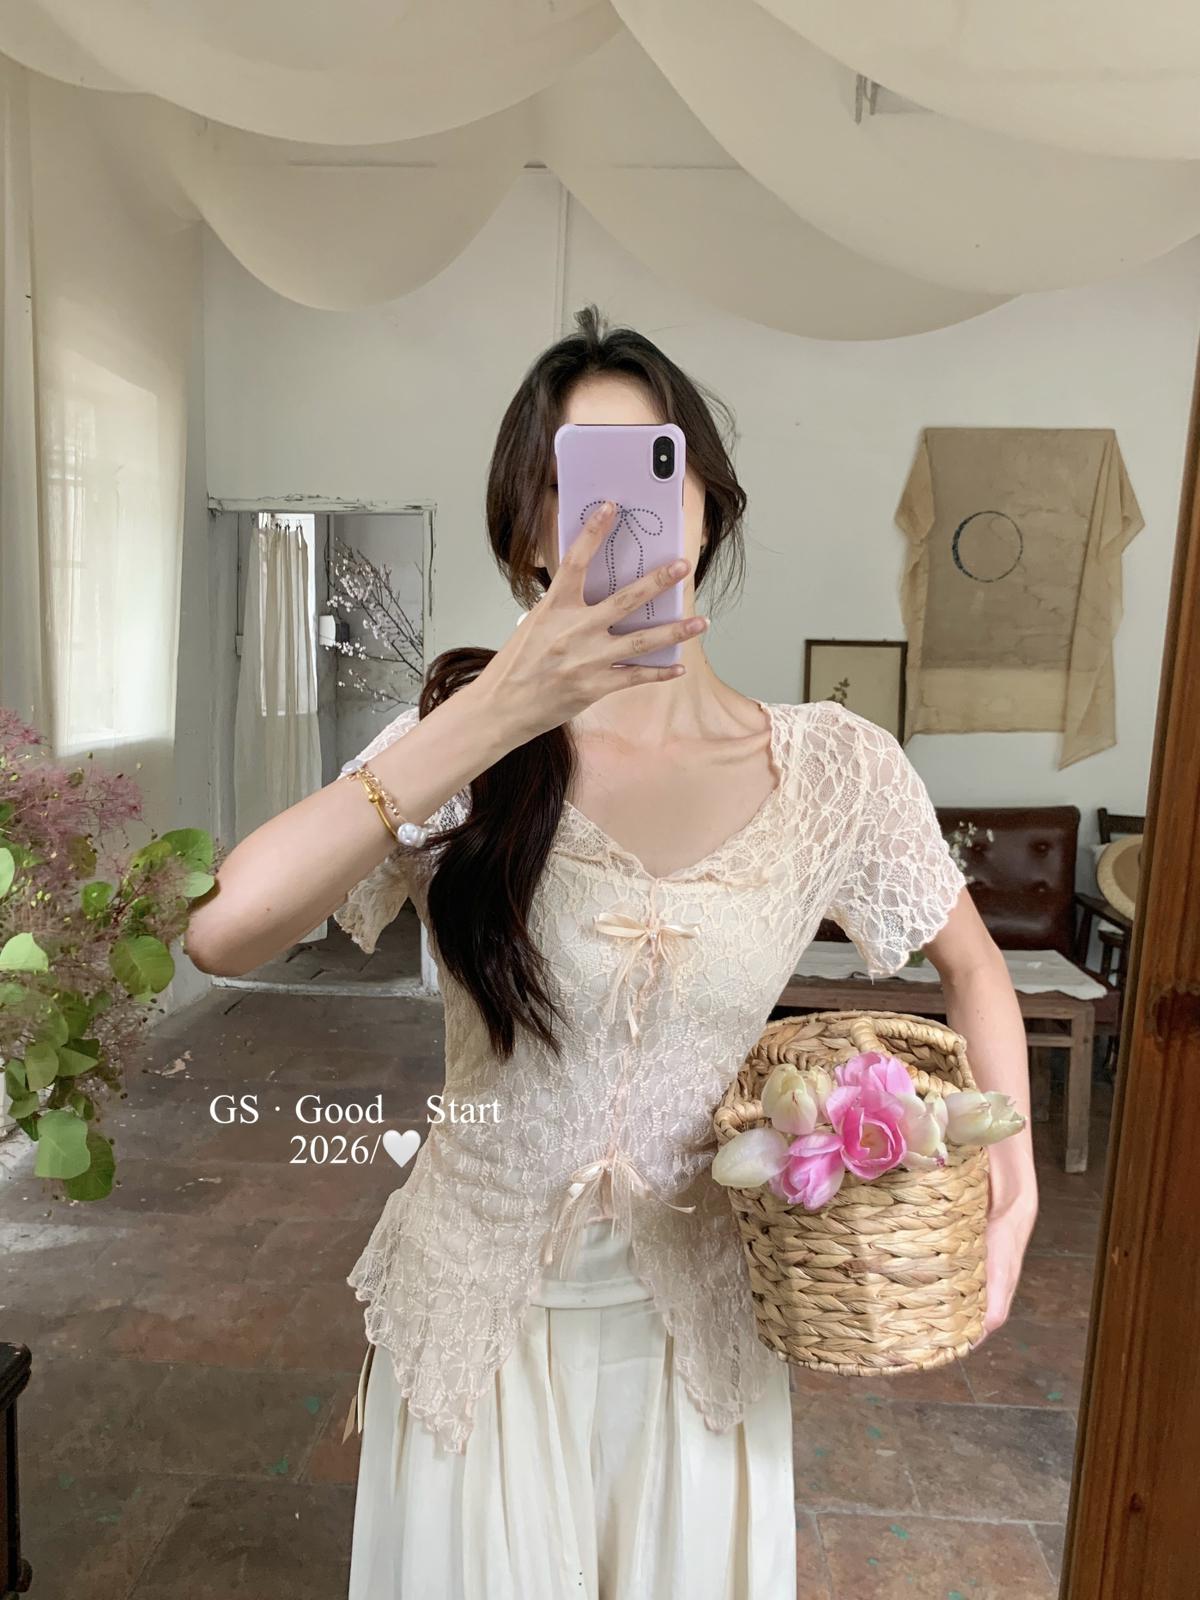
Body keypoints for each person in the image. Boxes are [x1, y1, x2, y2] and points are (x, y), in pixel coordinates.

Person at [185, 305, 1038, 1599]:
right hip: (474, 1319)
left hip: (700, 1329)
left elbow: (973, 968)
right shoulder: (463, 743)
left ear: (705, 502)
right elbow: (223, 928)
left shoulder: (834, 769)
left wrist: (1006, 1183)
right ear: (526, 531)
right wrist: (493, 712)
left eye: (654, 462)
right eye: (568, 477)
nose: (615, 507)